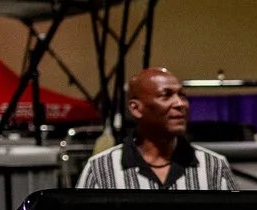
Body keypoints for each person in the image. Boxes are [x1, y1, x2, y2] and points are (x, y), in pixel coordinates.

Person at [78, 67, 235, 190]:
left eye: (182, 95)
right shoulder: (101, 169)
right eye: (166, 96)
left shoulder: (213, 166)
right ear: (136, 109)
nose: (180, 104)